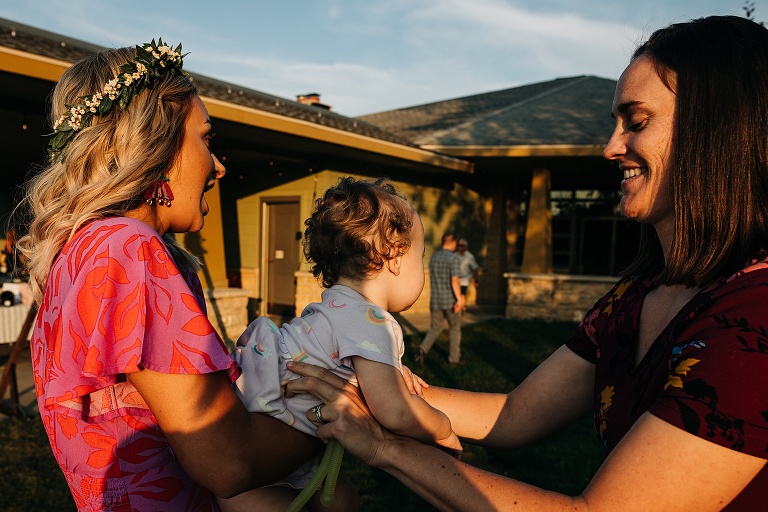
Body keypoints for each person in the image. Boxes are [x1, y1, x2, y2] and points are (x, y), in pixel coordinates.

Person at [284, 15, 768, 511]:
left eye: (636, 122)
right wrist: (377, 387)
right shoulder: (633, 297)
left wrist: (386, 445)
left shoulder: (755, 318)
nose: (610, 147)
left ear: (718, 132)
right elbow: (516, 414)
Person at [16, 39, 320, 511]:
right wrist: (340, 418)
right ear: (155, 148)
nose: (218, 166)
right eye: (206, 138)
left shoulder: (77, 254)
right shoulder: (130, 250)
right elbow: (228, 460)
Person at [218, 177, 461, 512]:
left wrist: (394, 368)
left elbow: (346, 356)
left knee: (342, 499)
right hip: (259, 437)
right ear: (393, 256)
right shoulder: (373, 321)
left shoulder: (333, 305)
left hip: (263, 419)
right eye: (419, 257)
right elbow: (395, 412)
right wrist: (442, 427)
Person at [415, 231, 464, 366]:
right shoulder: (453, 258)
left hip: (436, 300)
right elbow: (455, 280)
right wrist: (459, 299)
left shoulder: (434, 257)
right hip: (450, 301)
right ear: (453, 242)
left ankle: (422, 349)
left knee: (435, 328)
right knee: (454, 328)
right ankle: (454, 358)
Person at [456, 238, 478, 309]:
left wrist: (476, 280)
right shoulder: (455, 256)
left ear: (465, 246)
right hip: (456, 279)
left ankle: (463, 308)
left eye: (461, 245)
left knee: (463, 294)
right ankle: (461, 307)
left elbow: (475, 268)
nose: (459, 247)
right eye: (458, 245)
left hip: (465, 280)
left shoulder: (469, 257)